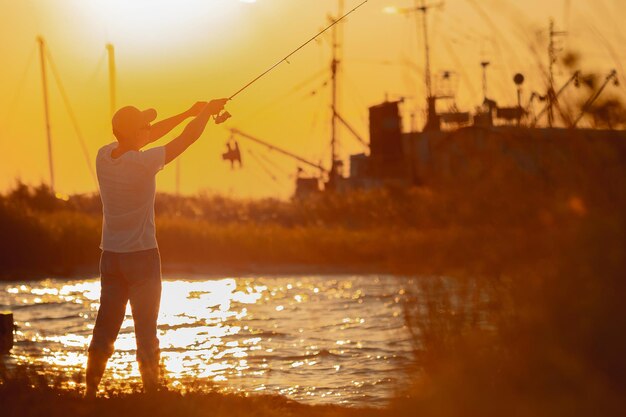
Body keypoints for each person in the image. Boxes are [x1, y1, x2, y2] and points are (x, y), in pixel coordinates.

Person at [85, 99, 228, 397]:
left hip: (110, 257)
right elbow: (187, 138)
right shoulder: (142, 163)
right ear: (136, 134)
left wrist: (188, 112)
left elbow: (152, 134)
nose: (150, 129)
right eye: (145, 126)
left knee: (104, 329)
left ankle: (89, 394)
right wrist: (203, 114)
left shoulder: (103, 156)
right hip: (142, 258)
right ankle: (152, 394)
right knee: (146, 332)